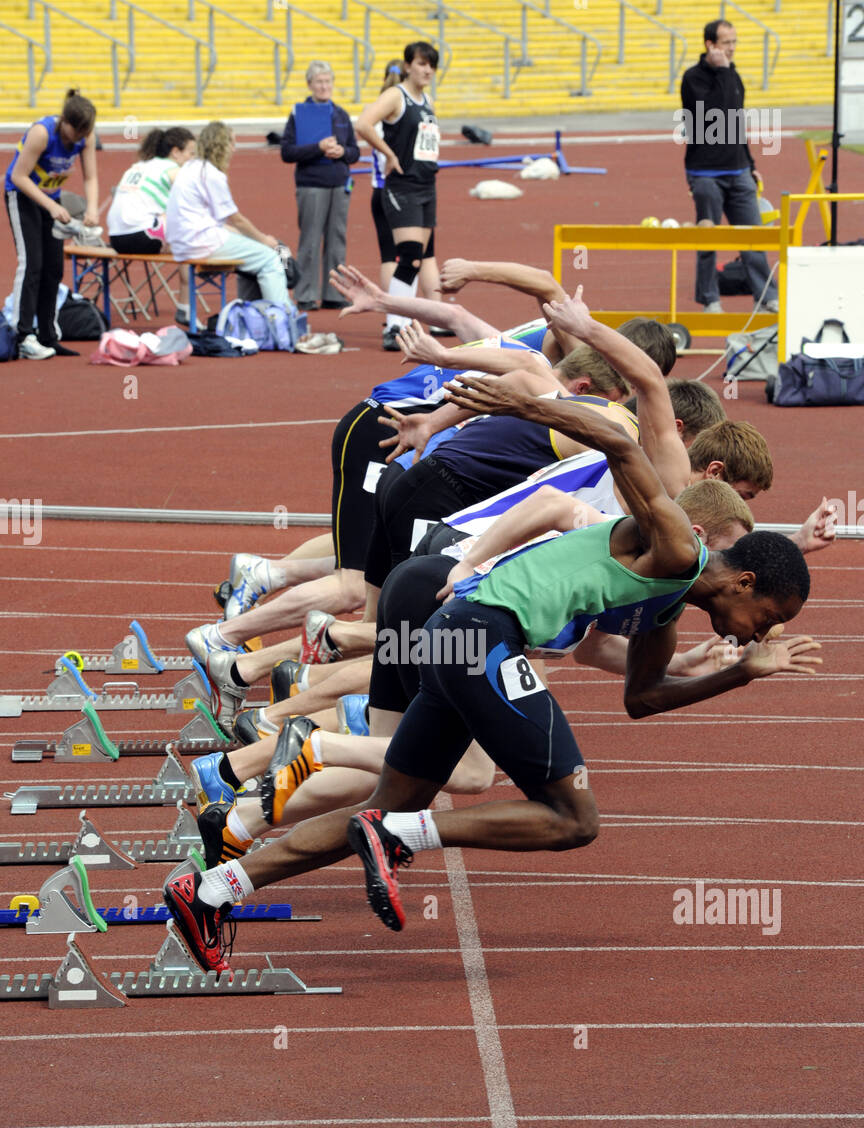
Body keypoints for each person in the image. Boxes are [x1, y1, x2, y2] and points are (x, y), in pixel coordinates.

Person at [163, 371, 819, 966]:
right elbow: (622, 448)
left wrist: (741, 673)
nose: (766, 631)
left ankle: (213, 888)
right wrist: (527, 404)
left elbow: (642, 698)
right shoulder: (678, 545)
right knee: (573, 818)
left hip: (458, 641)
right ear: (748, 582)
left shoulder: (668, 606)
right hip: (479, 635)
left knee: (391, 798)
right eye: (769, 616)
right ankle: (389, 828)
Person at [679, 19, 777, 313]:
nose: (732, 48)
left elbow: (736, 122)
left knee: (753, 235)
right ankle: (710, 299)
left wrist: (750, 163)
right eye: (726, 43)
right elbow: (713, 114)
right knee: (708, 237)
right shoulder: (693, 78)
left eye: (734, 42)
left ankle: (767, 296)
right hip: (705, 173)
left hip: (738, 172)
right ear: (710, 45)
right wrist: (722, 72)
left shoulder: (733, 76)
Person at [355, 41, 440, 350]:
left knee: (418, 260)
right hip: (402, 188)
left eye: (431, 65)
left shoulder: (427, 99)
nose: (427, 69)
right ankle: (393, 328)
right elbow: (363, 124)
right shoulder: (396, 96)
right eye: (421, 64)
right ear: (407, 66)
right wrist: (388, 154)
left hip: (426, 186)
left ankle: (406, 324)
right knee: (408, 258)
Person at [4, 88, 98, 359]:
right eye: (75, 133)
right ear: (65, 122)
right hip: (22, 196)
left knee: (54, 268)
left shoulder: (87, 136)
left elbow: (90, 177)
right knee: (31, 263)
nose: (78, 139)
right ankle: (22, 335)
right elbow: (19, 176)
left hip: (50, 200)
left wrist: (92, 209)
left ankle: (47, 334)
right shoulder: (42, 133)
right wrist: (52, 206)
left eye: (83, 134)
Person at [165, 121, 290, 313]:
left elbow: (218, 221)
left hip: (182, 242)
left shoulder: (190, 168)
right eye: (231, 143)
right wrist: (264, 240)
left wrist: (253, 238)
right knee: (271, 259)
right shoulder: (212, 175)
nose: (234, 148)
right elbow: (236, 219)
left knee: (253, 251)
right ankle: (284, 317)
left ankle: (259, 313)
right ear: (220, 146)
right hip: (200, 242)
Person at [280, 61, 359, 312]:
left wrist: (342, 151)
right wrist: (319, 148)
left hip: (339, 184)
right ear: (310, 84)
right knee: (310, 239)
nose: (324, 86)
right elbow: (287, 152)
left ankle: (335, 293)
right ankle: (305, 293)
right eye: (319, 82)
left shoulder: (341, 114)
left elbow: (355, 151)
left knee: (337, 240)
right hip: (311, 184)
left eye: (328, 81)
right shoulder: (299, 114)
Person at [107, 125, 196, 322]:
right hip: (142, 236)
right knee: (190, 230)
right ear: (175, 152)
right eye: (191, 153)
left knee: (178, 221)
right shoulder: (172, 169)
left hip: (115, 238)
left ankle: (185, 307)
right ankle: (185, 306)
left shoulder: (140, 166)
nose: (193, 159)